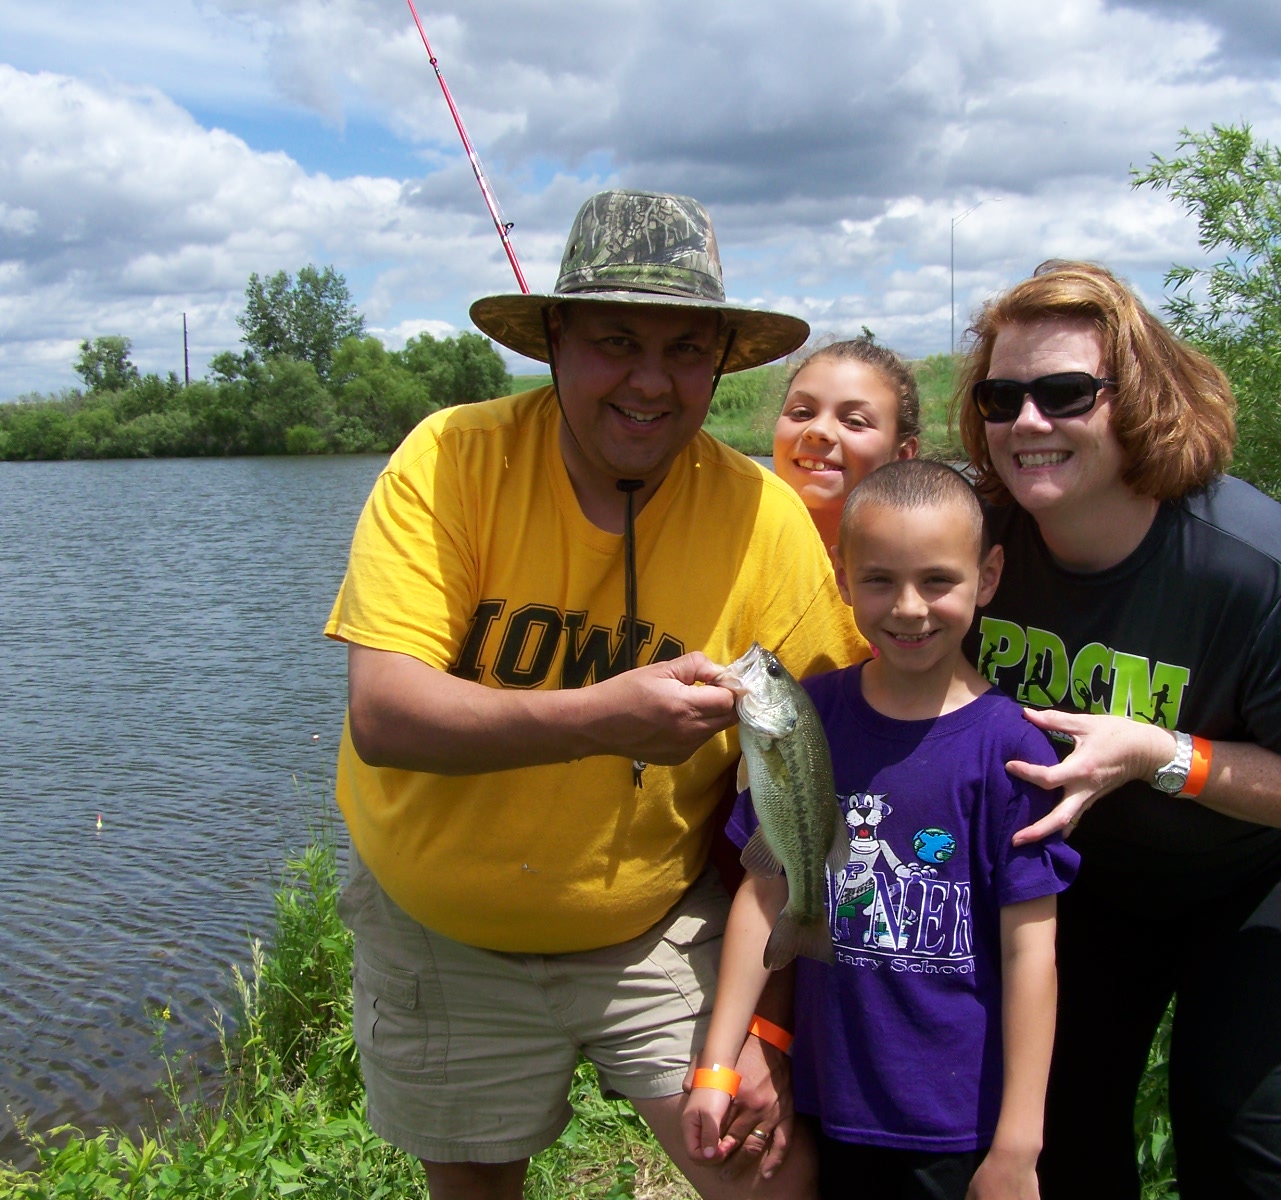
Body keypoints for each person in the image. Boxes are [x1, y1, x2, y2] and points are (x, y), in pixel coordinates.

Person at [324, 189, 868, 1200]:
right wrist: (598, 720)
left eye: (686, 351)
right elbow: (385, 713)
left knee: (775, 1181)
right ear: (555, 341)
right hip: (443, 938)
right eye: (616, 340)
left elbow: (812, 785)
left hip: (657, 931)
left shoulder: (765, 517)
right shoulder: (450, 462)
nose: (651, 383)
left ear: (719, 363)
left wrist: (770, 1026)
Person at [955, 260, 1281, 1198]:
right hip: (1111, 854)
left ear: (1137, 402)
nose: (1028, 424)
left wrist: (1165, 756)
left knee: (1230, 1099)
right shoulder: (983, 535)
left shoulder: (1249, 565)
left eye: (1065, 393)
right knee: (1057, 1095)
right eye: (1002, 397)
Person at [683, 460, 1079, 1200]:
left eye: (938, 580)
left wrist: (1019, 1142)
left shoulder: (1014, 750)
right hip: (833, 1101)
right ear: (841, 576)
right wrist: (720, 1061)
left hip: (958, 1119)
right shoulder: (813, 715)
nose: (908, 607)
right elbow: (765, 895)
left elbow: (1032, 953)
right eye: (878, 580)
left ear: (988, 576)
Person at [770, 337, 920, 550]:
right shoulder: (726, 534)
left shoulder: (924, 566)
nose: (818, 430)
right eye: (802, 413)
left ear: (903, 454)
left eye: (854, 421)